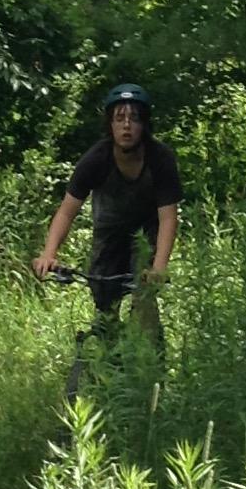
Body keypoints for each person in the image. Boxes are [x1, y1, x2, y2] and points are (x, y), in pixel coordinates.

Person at [32, 82, 183, 337]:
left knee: (143, 297)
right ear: (110, 125)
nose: (126, 125)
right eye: (119, 118)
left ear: (144, 125)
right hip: (109, 234)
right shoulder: (96, 159)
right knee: (104, 303)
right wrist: (49, 253)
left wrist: (158, 268)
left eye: (134, 119)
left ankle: (149, 367)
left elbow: (168, 218)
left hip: (146, 234)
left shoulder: (160, 159)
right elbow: (67, 211)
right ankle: (108, 360)